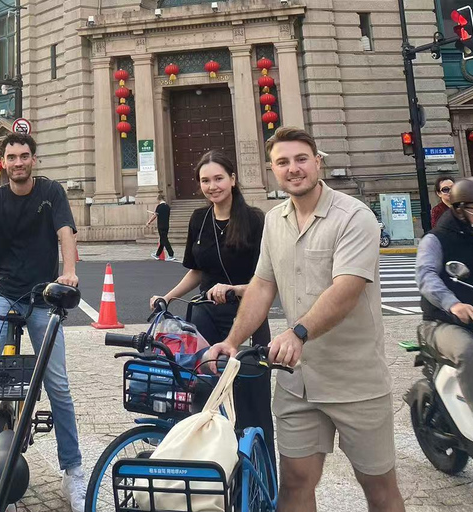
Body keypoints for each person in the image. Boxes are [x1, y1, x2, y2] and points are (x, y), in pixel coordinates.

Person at [208, 127, 404, 512]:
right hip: (297, 381)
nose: (293, 168)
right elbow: (262, 285)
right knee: (295, 482)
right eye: (283, 162)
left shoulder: (354, 216)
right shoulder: (274, 220)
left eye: (301, 159)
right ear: (272, 171)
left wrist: (298, 332)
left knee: (378, 486)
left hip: (355, 380)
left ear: (318, 162)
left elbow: (347, 287)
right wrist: (232, 342)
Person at [0, 133, 86, 512]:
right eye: (12, 156)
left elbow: (66, 235)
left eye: (24, 156)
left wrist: (69, 273)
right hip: (4, 292)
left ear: (34, 160)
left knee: (57, 382)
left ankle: (72, 470)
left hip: (43, 296)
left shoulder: (51, 192)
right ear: (2, 161)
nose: (18, 162)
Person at [148, 150, 274, 462]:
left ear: (232, 180)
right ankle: (211, 467)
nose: (212, 186)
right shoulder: (199, 219)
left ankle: (261, 474)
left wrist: (235, 289)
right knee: (200, 396)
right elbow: (198, 271)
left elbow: (271, 278)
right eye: (205, 180)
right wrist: (168, 295)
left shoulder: (256, 220)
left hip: (248, 317)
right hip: (205, 317)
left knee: (252, 403)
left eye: (218, 178)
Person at [416, 177, 473, 477]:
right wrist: (452, 303)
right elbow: (427, 276)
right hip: (443, 323)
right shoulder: (437, 240)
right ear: (458, 210)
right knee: (468, 353)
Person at [146, 194, 175, 261]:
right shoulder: (167, 206)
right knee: (162, 240)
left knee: (164, 240)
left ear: (159, 199)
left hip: (161, 225)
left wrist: (149, 222)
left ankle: (171, 254)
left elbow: (155, 216)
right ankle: (157, 254)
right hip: (166, 225)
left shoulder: (159, 206)